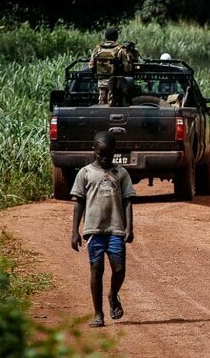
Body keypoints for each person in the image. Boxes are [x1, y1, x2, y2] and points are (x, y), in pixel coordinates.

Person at [70, 131, 136, 328]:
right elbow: (78, 202)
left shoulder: (121, 173)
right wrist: (75, 231)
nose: (105, 158)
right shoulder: (85, 173)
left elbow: (127, 202)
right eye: (101, 154)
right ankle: (98, 314)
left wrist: (129, 227)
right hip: (94, 229)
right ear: (94, 151)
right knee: (96, 270)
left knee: (119, 269)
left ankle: (113, 294)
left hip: (116, 228)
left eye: (109, 154)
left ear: (115, 151)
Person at [89, 27, 133, 105]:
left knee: (102, 104)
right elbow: (127, 68)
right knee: (114, 105)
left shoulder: (97, 49)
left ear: (106, 36)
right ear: (116, 37)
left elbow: (91, 66)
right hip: (115, 84)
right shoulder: (120, 50)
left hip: (101, 82)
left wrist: (98, 75)